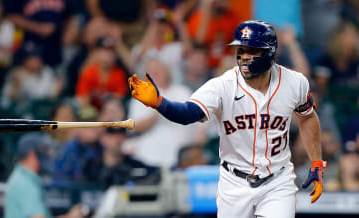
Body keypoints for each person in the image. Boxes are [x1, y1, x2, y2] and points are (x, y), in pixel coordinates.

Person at [128, 20, 326, 217]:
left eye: (252, 51)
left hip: (277, 180)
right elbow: (189, 113)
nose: (244, 57)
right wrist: (160, 103)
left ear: (270, 53)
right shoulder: (222, 86)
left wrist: (316, 162)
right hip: (235, 183)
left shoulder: (295, 82)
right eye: (241, 50)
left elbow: (308, 117)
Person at [5, 134, 82, 218]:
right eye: (44, 150)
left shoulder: (24, 177)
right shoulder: (24, 183)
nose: (48, 155)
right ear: (32, 154)